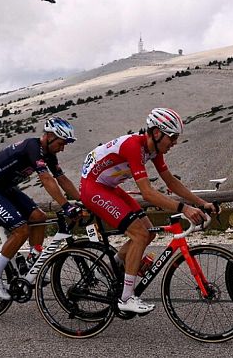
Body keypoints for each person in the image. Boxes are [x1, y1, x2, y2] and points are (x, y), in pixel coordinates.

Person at [79, 108, 216, 313]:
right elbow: (148, 194)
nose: (174, 143)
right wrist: (184, 208)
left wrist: (201, 202)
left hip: (109, 187)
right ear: (157, 133)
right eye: (172, 138)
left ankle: (109, 269)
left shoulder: (154, 150)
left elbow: (170, 181)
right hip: (93, 187)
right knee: (139, 234)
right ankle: (126, 298)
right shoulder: (134, 146)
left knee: (148, 232)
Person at [0, 117, 81, 301]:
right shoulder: (32, 147)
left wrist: (82, 201)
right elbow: (47, 179)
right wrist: (66, 206)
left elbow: (61, 179)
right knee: (21, 230)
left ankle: (33, 260)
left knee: (38, 217)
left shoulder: (48, 153)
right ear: (49, 136)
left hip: (6, 189)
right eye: (62, 143)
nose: (63, 148)